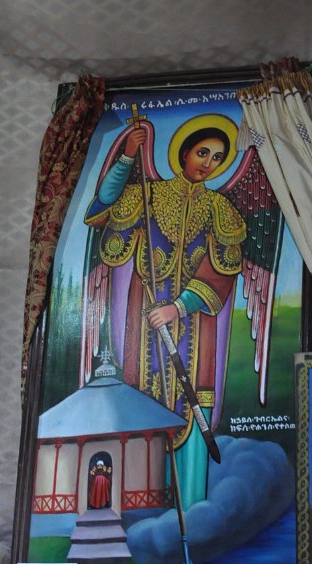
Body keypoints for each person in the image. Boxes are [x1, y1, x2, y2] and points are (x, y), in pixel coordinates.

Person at [85, 118, 246, 510]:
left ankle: (192, 517)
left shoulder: (219, 209)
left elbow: (223, 272)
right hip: (144, 326)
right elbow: (102, 207)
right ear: (184, 153)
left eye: (218, 158)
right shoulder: (148, 195)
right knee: (142, 414)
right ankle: (142, 519)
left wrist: (180, 307)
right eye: (202, 153)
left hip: (195, 331)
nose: (208, 163)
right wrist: (127, 157)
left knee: (193, 412)